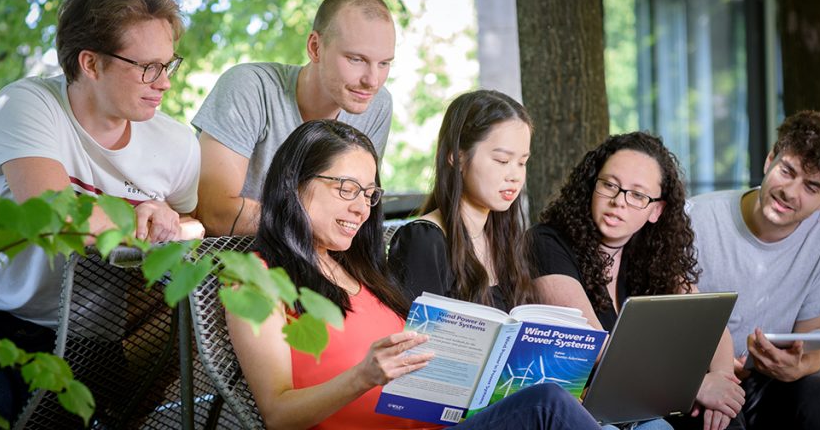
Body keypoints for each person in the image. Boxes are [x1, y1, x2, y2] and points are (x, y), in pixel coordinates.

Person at [0, 0, 204, 427]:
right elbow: (55, 214)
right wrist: (146, 216)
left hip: (89, 345)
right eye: (147, 68)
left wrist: (173, 220)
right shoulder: (27, 104)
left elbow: (195, 222)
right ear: (91, 64)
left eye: (169, 65)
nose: (164, 84)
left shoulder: (176, 144)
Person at [228, 119, 603, 430]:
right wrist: (364, 376)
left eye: (369, 194)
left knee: (557, 395)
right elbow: (277, 414)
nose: (361, 208)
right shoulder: (255, 280)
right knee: (547, 405)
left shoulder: (362, 273)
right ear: (295, 184)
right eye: (347, 189)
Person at [528, 132, 744, 430]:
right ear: (592, 186)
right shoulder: (546, 242)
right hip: (583, 408)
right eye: (610, 185)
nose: (619, 201)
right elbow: (598, 352)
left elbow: (711, 323)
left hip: (645, 401)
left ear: (656, 210)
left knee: (723, 415)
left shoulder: (653, 253)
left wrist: (721, 377)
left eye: (638, 195)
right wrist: (695, 386)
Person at [686, 110, 820, 430]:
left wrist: (797, 367)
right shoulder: (695, 218)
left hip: (769, 382)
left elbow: (815, 341)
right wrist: (715, 372)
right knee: (721, 417)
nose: (790, 192)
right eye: (787, 171)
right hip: (697, 378)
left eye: (811, 187)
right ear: (770, 160)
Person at [192, 0, 396, 237]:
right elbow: (215, 213)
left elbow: (358, 209)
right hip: (229, 265)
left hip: (312, 265)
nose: (372, 81)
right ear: (315, 47)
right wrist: (317, 221)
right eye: (356, 59)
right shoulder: (249, 87)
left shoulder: (376, 105)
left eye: (384, 63)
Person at [387, 89, 535, 312]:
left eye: (522, 162)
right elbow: (415, 340)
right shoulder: (424, 241)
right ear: (457, 157)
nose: (514, 176)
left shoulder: (505, 238)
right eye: (502, 160)